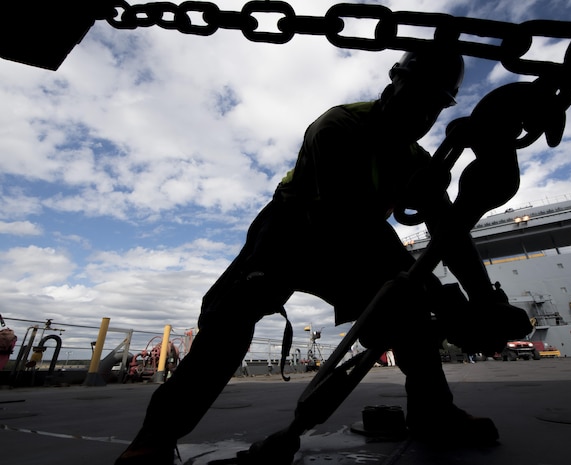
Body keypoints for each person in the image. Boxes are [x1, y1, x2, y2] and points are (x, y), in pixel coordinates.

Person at [115, 46, 532, 465]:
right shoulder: (339, 125)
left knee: (409, 317)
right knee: (231, 314)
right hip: (292, 229)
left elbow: (449, 231)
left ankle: (434, 414)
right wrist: (437, 297)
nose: (423, 114)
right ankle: (154, 437)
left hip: (358, 234)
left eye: (435, 105)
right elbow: (343, 217)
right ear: (394, 80)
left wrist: (482, 299)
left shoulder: (417, 160)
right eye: (417, 95)